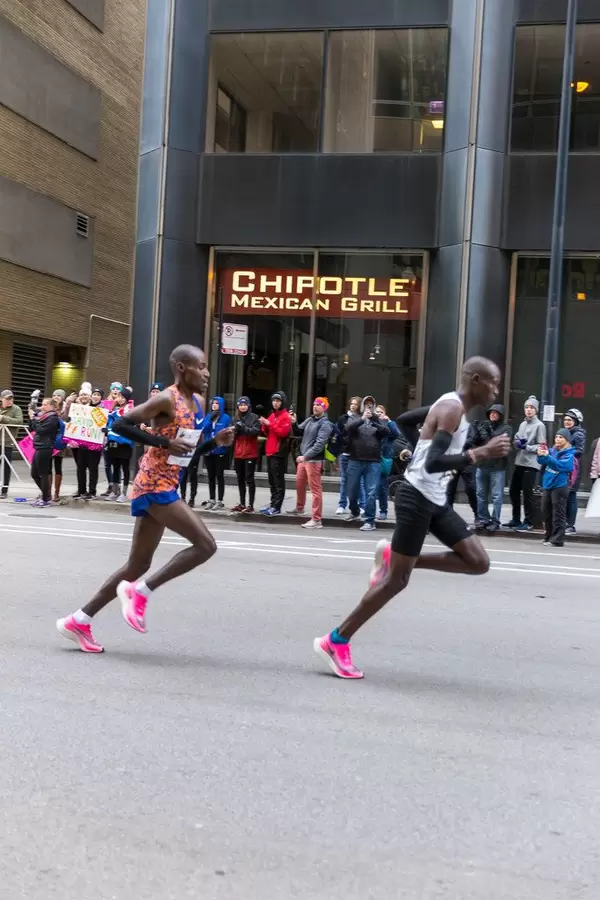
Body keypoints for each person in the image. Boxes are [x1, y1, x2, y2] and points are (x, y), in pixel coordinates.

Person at [313, 357, 510, 679]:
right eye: (493, 382)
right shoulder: (451, 410)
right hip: (416, 498)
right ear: (476, 379)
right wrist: (480, 453)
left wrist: (417, 449)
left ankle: (397, 557)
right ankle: (335, 641)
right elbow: (433, 463)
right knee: (396, 581)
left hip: (435, 501)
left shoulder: (448, 407)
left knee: (477, 561)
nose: (496, 390)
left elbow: (404, 420)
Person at [56, 344, 234, 653]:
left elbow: (187, 450)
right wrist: (162, 441)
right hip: (153, 484)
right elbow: (120, 424)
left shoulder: (200, 403)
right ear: (181, 367)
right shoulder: (165, 398)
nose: (206, 373)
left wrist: (213, 443)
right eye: (201, 366)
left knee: (137, 564)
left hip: (169, 482)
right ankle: (141, 592)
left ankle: (79, 619)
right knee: (206, 546)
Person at [345, 396, 389, 532]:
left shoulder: (379, 420)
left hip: (373, 461)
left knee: (371, 492)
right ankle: (355, 511)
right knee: (351, 490)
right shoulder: (355, 417)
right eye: (366, 404)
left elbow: (386, 432)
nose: (369, 407)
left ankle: (370, 520)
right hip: (355, 459)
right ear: (363, 406)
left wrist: (374, 420)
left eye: (371, 405)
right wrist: (362, 419)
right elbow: (348, 429)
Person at [289, 397, 333, 529]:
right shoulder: (310, 419)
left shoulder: (325, 424)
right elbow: (298, 431)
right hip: (304, 458)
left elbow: (320, 444)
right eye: (314, 404)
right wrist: (294, 422)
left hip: (313, 460)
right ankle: (300, 507)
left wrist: (305, 456)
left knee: (315, 489)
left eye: (319, 405)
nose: (315, 407)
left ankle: (316, 519)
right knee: (299, 483)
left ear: (324, 408)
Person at [506, 396, 546, 532]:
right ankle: (515, 519)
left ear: (536, 410)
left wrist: (527, 447)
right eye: (527, 407)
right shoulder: (523, 424)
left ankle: (528, 522)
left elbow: (542, 447)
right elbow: (517, 439)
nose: (528, 410)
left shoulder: (540, 425)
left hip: (531, 464)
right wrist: (516, 443)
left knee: (528, 493)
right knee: (513, 491)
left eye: (531, 408)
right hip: (520, 461)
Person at [472, 404, 512, 533]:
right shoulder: (484, 425)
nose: (493, 415)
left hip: (497, 467)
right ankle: (483, 518)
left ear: (501, 415)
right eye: (491, 413)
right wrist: (476, 431)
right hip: (482, 465)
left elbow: (498, 442)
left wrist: (488, 432)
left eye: (496, 413)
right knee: (480, 494)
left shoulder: (506, 428)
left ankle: (495, 520)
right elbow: (476, 442)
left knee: (496, 496)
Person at [538, 428, 575, 548]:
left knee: (558, 514)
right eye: (557, 437)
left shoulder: (569, 453)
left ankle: (557, 539)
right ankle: (548, 536)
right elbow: (541, 460)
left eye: (561, 437)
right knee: (546, 512)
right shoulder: (552, 450)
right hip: (547, 484)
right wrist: (541, 454)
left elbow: (562, 466)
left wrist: (547, 457)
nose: (558, 439)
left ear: (567, 440)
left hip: (560, 485)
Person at [259, 391, 291, 517]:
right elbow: (268, 432)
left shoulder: (285, 416)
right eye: (274, 401)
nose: (275, 403)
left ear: (282, 402)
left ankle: (277, 507)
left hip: (279, 452)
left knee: (278, 481)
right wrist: (264, 425)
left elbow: (283, 432)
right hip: (270, 450)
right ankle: (273, 504)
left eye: (278, 401)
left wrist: (269, 424)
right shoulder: (273, 414)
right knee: (272, 480)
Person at [375, 403, 406, 522]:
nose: (378, 414)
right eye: (376, 412)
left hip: (383, 459)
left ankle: (383, 511)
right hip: (371, 458)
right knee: (371, 487)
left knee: (382, 486)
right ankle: (368, 511)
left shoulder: (388, 426)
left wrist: (389, 421)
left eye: (381, 412)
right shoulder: (371, 423)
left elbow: (396, 433)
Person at [72, 387, 105, 500]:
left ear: (101, 397)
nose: (96, 396)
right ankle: (81, 490)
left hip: (95, 443)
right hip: (83, 441)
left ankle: (92, 491)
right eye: (94, 394)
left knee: (92, 467)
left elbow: (107, 423)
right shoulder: (84, 409)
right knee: (80, 467)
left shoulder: (104, 410)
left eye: (98, 395)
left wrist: (105, 430)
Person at [200, 397, 231, 510]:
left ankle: (220, 500)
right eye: (213, 403)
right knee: (210, 476)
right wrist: (210, 420)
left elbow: (225, 432)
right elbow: (204, 430)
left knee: (219, 475)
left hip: (220, 451)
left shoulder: (226, 418)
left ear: (221, 405)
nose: (214, 405)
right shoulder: (208, 416)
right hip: (209, 450)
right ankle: (212, 499)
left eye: (217, 403)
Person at [104, 388, 135, 502]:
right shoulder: (113, 410)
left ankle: (124, 492)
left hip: (125, 442)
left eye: (123, 397)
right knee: (115, 466)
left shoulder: (130, 410)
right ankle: (115, 491)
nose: (120, 399)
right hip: (113, 441)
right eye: (119, 397)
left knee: (125, 467)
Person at [29, 397, 60, 508]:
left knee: (43, 474)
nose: (42, 407)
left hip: (46, 447)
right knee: (34, 473)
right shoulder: (43, 416)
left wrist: (34, 420)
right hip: (39, 446)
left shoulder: (53, 418)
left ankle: (45, 499)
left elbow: (41, 430)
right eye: (42, 404)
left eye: (45, 405)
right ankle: (46, 495)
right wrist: (32, 419)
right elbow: (32, 428)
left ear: (51, 406)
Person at [335, 397, 364, 516]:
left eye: (356, 404)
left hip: (357, 454)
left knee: (359, 481)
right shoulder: (343, 418)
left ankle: (362, 505)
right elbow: (339, 434)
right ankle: (342, 505)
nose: (353, 406)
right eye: (351, 404)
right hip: (345, 452)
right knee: (344, 480)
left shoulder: (362, 418)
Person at [231, 396, 260, 513]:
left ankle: (251, 505)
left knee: (249, 479)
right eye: (241, 405)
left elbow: (255, 431)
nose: (243, 407)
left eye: (245, 404)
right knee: (240, 479)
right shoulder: (235, 418)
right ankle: (242, 503)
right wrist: (235, 430)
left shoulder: (254, 417)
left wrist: (243, 428)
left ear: (248, 406)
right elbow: (232, 435)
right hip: (238, 453)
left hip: (250, 452)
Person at [562, 409, 586, 535]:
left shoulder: (578, 434)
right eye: (565, 419)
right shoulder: (566, 432)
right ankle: (564, 522)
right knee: (565, 495)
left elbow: (579, 451)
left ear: (575, 421)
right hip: (565, 467)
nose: (566, 422)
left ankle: (570, 525)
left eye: (569, 420)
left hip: (574, 469)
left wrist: (565, 450)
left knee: (571, 496)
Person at [0, 389, 24, 498]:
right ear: (1, 399)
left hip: (7, 441)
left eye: (11, 398)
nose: (10, 401)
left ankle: (4, 490)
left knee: (6, 467)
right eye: (7, 399)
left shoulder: (16, 409)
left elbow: (19, 422)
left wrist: (3, 418)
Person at [50, 389, 67, 503]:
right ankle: (46, 490)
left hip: (59, 441)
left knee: (58, 466)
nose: (56, 397)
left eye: (59, 395)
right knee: (47, 467)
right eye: (54, 395)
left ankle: (56, 492)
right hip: (48, 440)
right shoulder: (48, 407)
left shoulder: (65, 409)